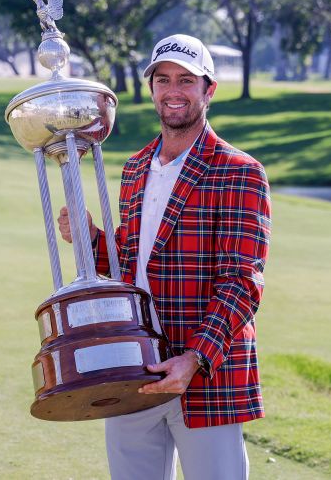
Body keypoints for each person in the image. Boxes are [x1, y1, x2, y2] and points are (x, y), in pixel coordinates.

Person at [58, 33, 271, 480]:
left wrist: (194, 358)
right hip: (134, 369)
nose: (174, 91)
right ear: (152, 89)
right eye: (163, 80)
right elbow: (129, 265)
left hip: (205, 376)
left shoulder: (240, 171)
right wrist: (90, 238)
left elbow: (242, 283)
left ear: (208, 89)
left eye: (186, 80)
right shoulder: (135, 168)